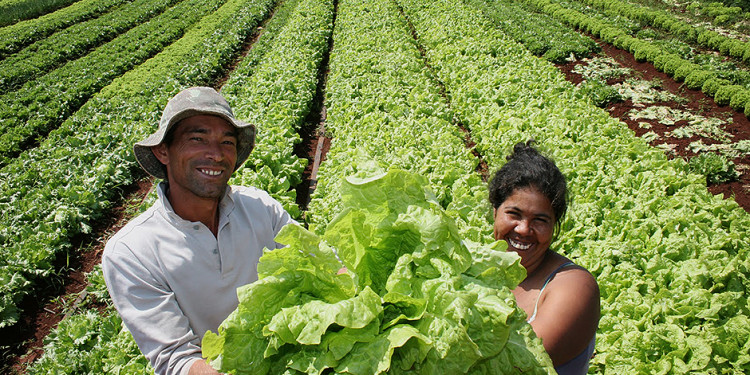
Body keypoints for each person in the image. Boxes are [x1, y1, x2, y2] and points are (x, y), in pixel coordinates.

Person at [102, 87, 295, 375]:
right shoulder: (132, 252)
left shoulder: (261, 207)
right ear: (163, 151)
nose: (216, 154)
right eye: (197, 138)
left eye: (226, 142)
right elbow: (177, 358)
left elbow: (318, 263)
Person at [488, 140, 600, 375]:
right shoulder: (483, 267)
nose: (523, 229)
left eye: (540, 220)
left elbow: (516, 364)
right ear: (495, 211)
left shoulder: (574, 286)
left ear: (554, 225)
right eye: (513, 214)